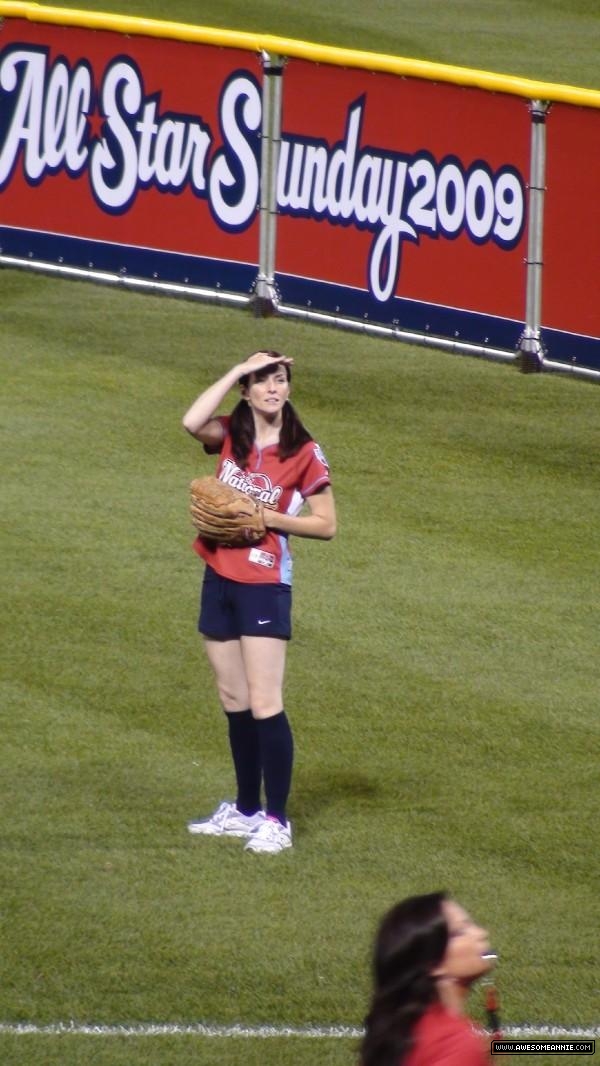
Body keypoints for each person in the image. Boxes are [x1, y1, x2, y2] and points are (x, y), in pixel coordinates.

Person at [182, 350, 336, 854]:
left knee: (266, 701)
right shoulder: (232, 434)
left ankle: (277, 819)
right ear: (246, 391)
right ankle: (246, 810)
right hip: (218, 576)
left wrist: (267, 517)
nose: (274, 388)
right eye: (264, 381)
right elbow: (191, 422)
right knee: (234, 700)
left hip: (265, 584)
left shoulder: (304, 451)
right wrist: (232, 371)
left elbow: (326, 525)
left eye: (281, 379)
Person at [360, 892, 497, 1066]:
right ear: (433, 964)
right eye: (460, 932)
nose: (481, 933)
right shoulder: (456, 1043)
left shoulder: (403, 1030)